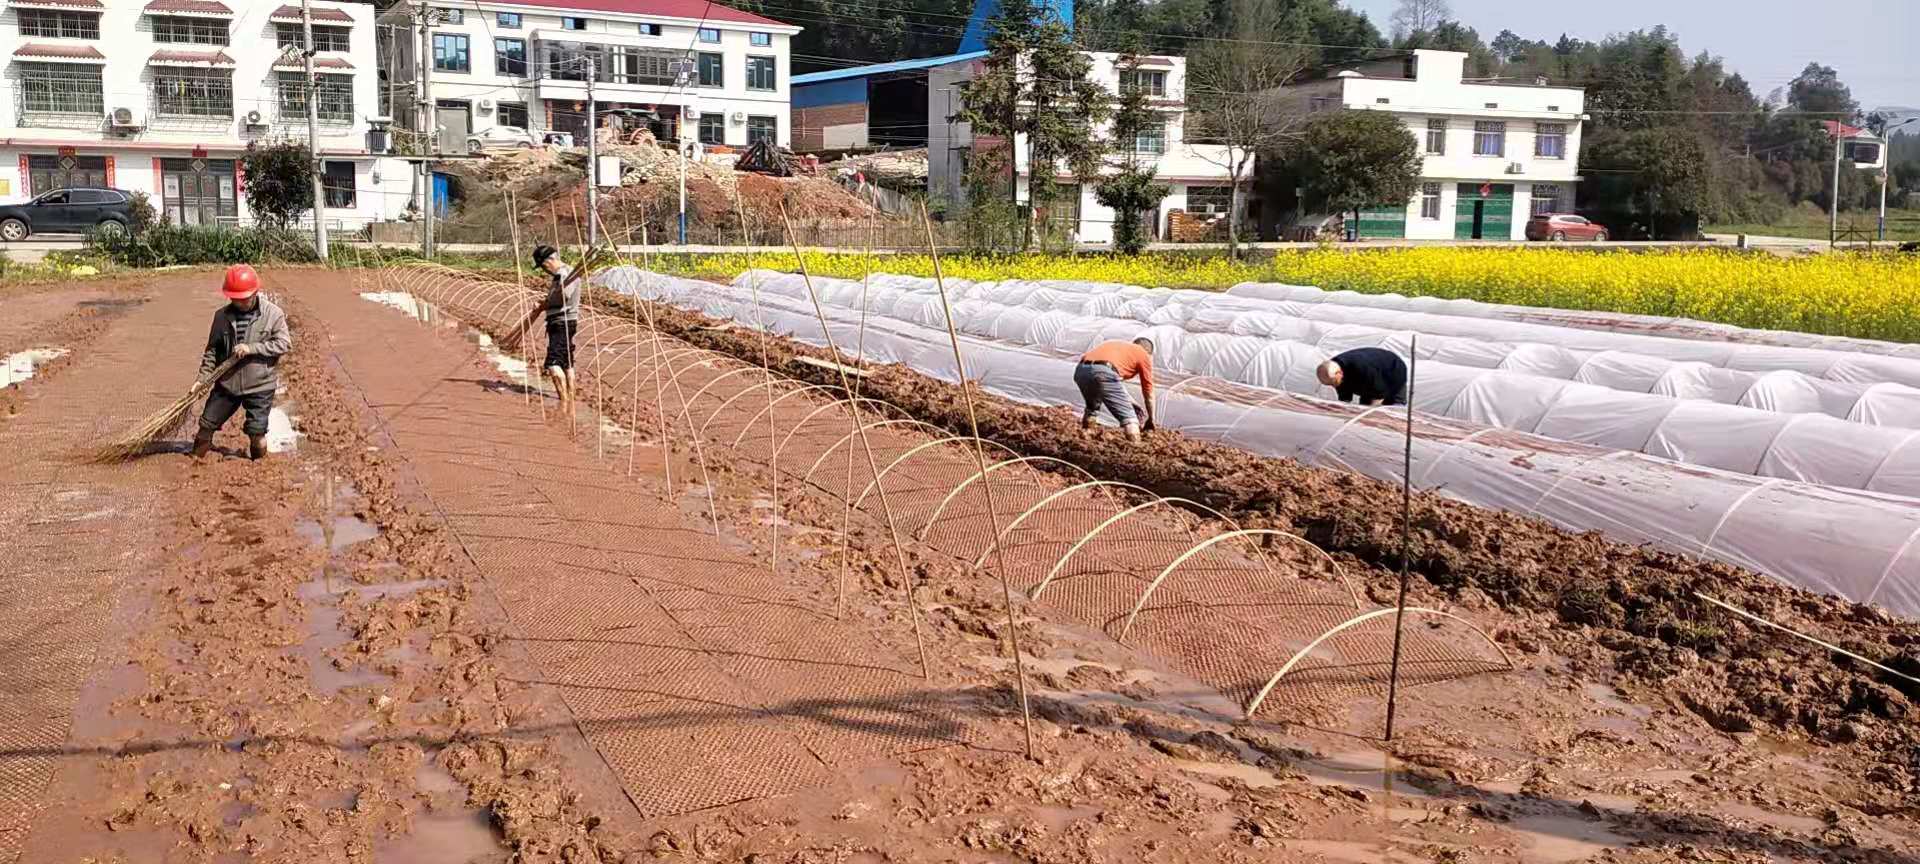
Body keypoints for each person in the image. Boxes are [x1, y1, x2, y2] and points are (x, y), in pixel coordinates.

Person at [190, 264, 291, 461]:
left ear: (256, 292)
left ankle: (258, 466)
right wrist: (202, 379)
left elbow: (284, 344)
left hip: (260, 386)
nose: (241, 303)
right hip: (227, 384)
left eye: (245, 298)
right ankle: (194, 460)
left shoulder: (273, 314)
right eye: (235, 299)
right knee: (205, 426)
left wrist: (251, 348)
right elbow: (212, 351)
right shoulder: (221, 317)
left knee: (257, 435)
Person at [517, 244, 584, 410]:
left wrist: (543, 305)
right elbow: (559, 296)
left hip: (561, 321)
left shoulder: (563, 274)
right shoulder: (569, 272)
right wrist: (545, 303)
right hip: (568, 321)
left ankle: (564, 403)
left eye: (543, 266)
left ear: (549, 260)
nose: (544, 270)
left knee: (553, 363)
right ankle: (571, 401)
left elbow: (563, 297)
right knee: (567, 362)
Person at [1075, 337, 1156, 441]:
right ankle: (1136, 450)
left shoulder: (1118, 345)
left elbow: (1113, 384)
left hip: (1081, 370)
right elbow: (1148, 392)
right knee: (1130, 418)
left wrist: (1131, 402)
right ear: (1149, 353)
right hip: (1104, 372)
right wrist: (1151, 418)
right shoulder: (1143, 354)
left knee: (1092, 409)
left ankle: (1084, 439)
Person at [1318, 347, 1408, 406]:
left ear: (1339, 373)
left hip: (1393, 373)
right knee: (1364, 407)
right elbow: (1343, 391)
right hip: (1370, 380)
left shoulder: (1363, 369)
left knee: (1393, 412)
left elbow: (1379, 394)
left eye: (1333, 383)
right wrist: (1343, 407)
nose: (1333, 386)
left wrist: (1368, 413)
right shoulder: (1333, 366)